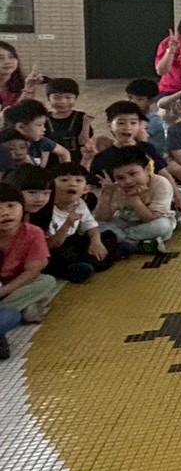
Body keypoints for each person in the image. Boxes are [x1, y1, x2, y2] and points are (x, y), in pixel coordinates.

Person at [0, 182, 62, 354]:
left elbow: (32, 271)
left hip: (16, 285)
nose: (5, 212)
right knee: (12, 315)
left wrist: (3, 292)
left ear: (22, 208)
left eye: (11, 206)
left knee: (46, 281)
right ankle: (23, 307)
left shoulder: (33, 233)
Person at [40, 164, 119, 280]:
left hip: (73, 241)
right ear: (51, 186)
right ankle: (86, 265)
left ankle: (89, 262)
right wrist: (67, 224)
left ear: (86, 189)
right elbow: (50, 245)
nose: (72, 184)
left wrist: (96, 242)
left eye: (78, 180)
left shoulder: (80, 203)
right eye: (64, 180)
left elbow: (91, 227)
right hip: (55, 246)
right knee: (61, 256)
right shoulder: (46, 208)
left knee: (109, 236)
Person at [94, 146, 175, 251]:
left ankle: (123, 241)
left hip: (151, 223)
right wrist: (107, 195)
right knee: (97, 226)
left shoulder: (160, 183)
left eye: (133, 174)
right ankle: (139, 243)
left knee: (162, 226)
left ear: (147, 169)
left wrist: (133, 199)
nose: (128, 181)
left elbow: (152, 219)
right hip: (127, 221)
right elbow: (102, 219)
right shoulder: (116, 187)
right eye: (120, 178)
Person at [44, 78, 91, 162]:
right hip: (50, 162)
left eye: (68, 97)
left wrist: (86, 123)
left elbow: (83, 142)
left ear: (75, 98)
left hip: (75, 161)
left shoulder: (80, 117)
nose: (63, 101)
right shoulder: (43, 118)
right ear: (48, 98)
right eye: (57, 97)